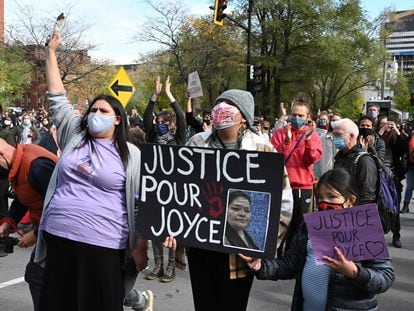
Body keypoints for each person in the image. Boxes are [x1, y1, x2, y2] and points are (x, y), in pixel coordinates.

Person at [34, 32, 149, 311]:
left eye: (103, 110)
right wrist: (51, 53)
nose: (95, 113)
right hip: (59, 239)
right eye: (92, 109)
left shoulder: (131, 156)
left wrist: (140, 247)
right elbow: (57, 97)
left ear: (117, 118)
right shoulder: (75, 134)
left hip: (103, 246)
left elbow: (140, 206)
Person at [164, 89, 293, 311]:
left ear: (243, 116)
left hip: (239, 253)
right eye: (218, 105)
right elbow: (178, 191)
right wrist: (173, 225)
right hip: (201, 246)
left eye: (227, 106)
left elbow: (284, 204)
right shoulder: (197, 143)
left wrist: (260, 245)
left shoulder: (264, 150)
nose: (219, 110)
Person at [239, 168, 395, 311]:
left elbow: (385, 277)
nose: (324, 202)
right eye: (320, 197)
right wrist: (261, 266)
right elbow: (290, 264)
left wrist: (354, 272)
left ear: (350, 201)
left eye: (332, 196)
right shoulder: (310, 226)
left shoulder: (365, 229)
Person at [0, 138, 57, 311]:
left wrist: (36, 234)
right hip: (48, 228)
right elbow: (23, 196)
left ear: (2, 155)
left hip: (60, 229)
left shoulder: (36, 166)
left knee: (36, 275)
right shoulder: (18, 162)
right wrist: (9, 222)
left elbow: (59, 203)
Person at [143, 76, 186, 283]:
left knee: (171, 230)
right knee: (155, 227)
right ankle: (158, 264)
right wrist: (154, 95)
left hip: (174, 189)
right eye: (158, 122)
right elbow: (145, 118)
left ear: (171, 124)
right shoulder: (152, 137)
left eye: (164, 122)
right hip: (155, 187)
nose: (160, 125)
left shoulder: (179, 139)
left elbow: (182, 116)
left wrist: (169, 95)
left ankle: (170, 266)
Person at [271, 96, 322, 251]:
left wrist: (307, 141)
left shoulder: (312, 136)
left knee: (298, 226)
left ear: (308, 118)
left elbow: (312, 159)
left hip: (302, 188)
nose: (297, 118)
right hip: (282, 186)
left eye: (301, 115)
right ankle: (276, 255)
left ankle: (292, 257)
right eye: (294, 114)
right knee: (278, 224)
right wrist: (286, 141)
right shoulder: (280, 133)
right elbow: (274, 158)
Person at [333, 118, 378, 204]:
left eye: (338, 135)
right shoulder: (340, 157)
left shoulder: (364, 160)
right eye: (334, 135)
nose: (334, 138)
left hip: (354, 213)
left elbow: (367, 196)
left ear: (352, 136)